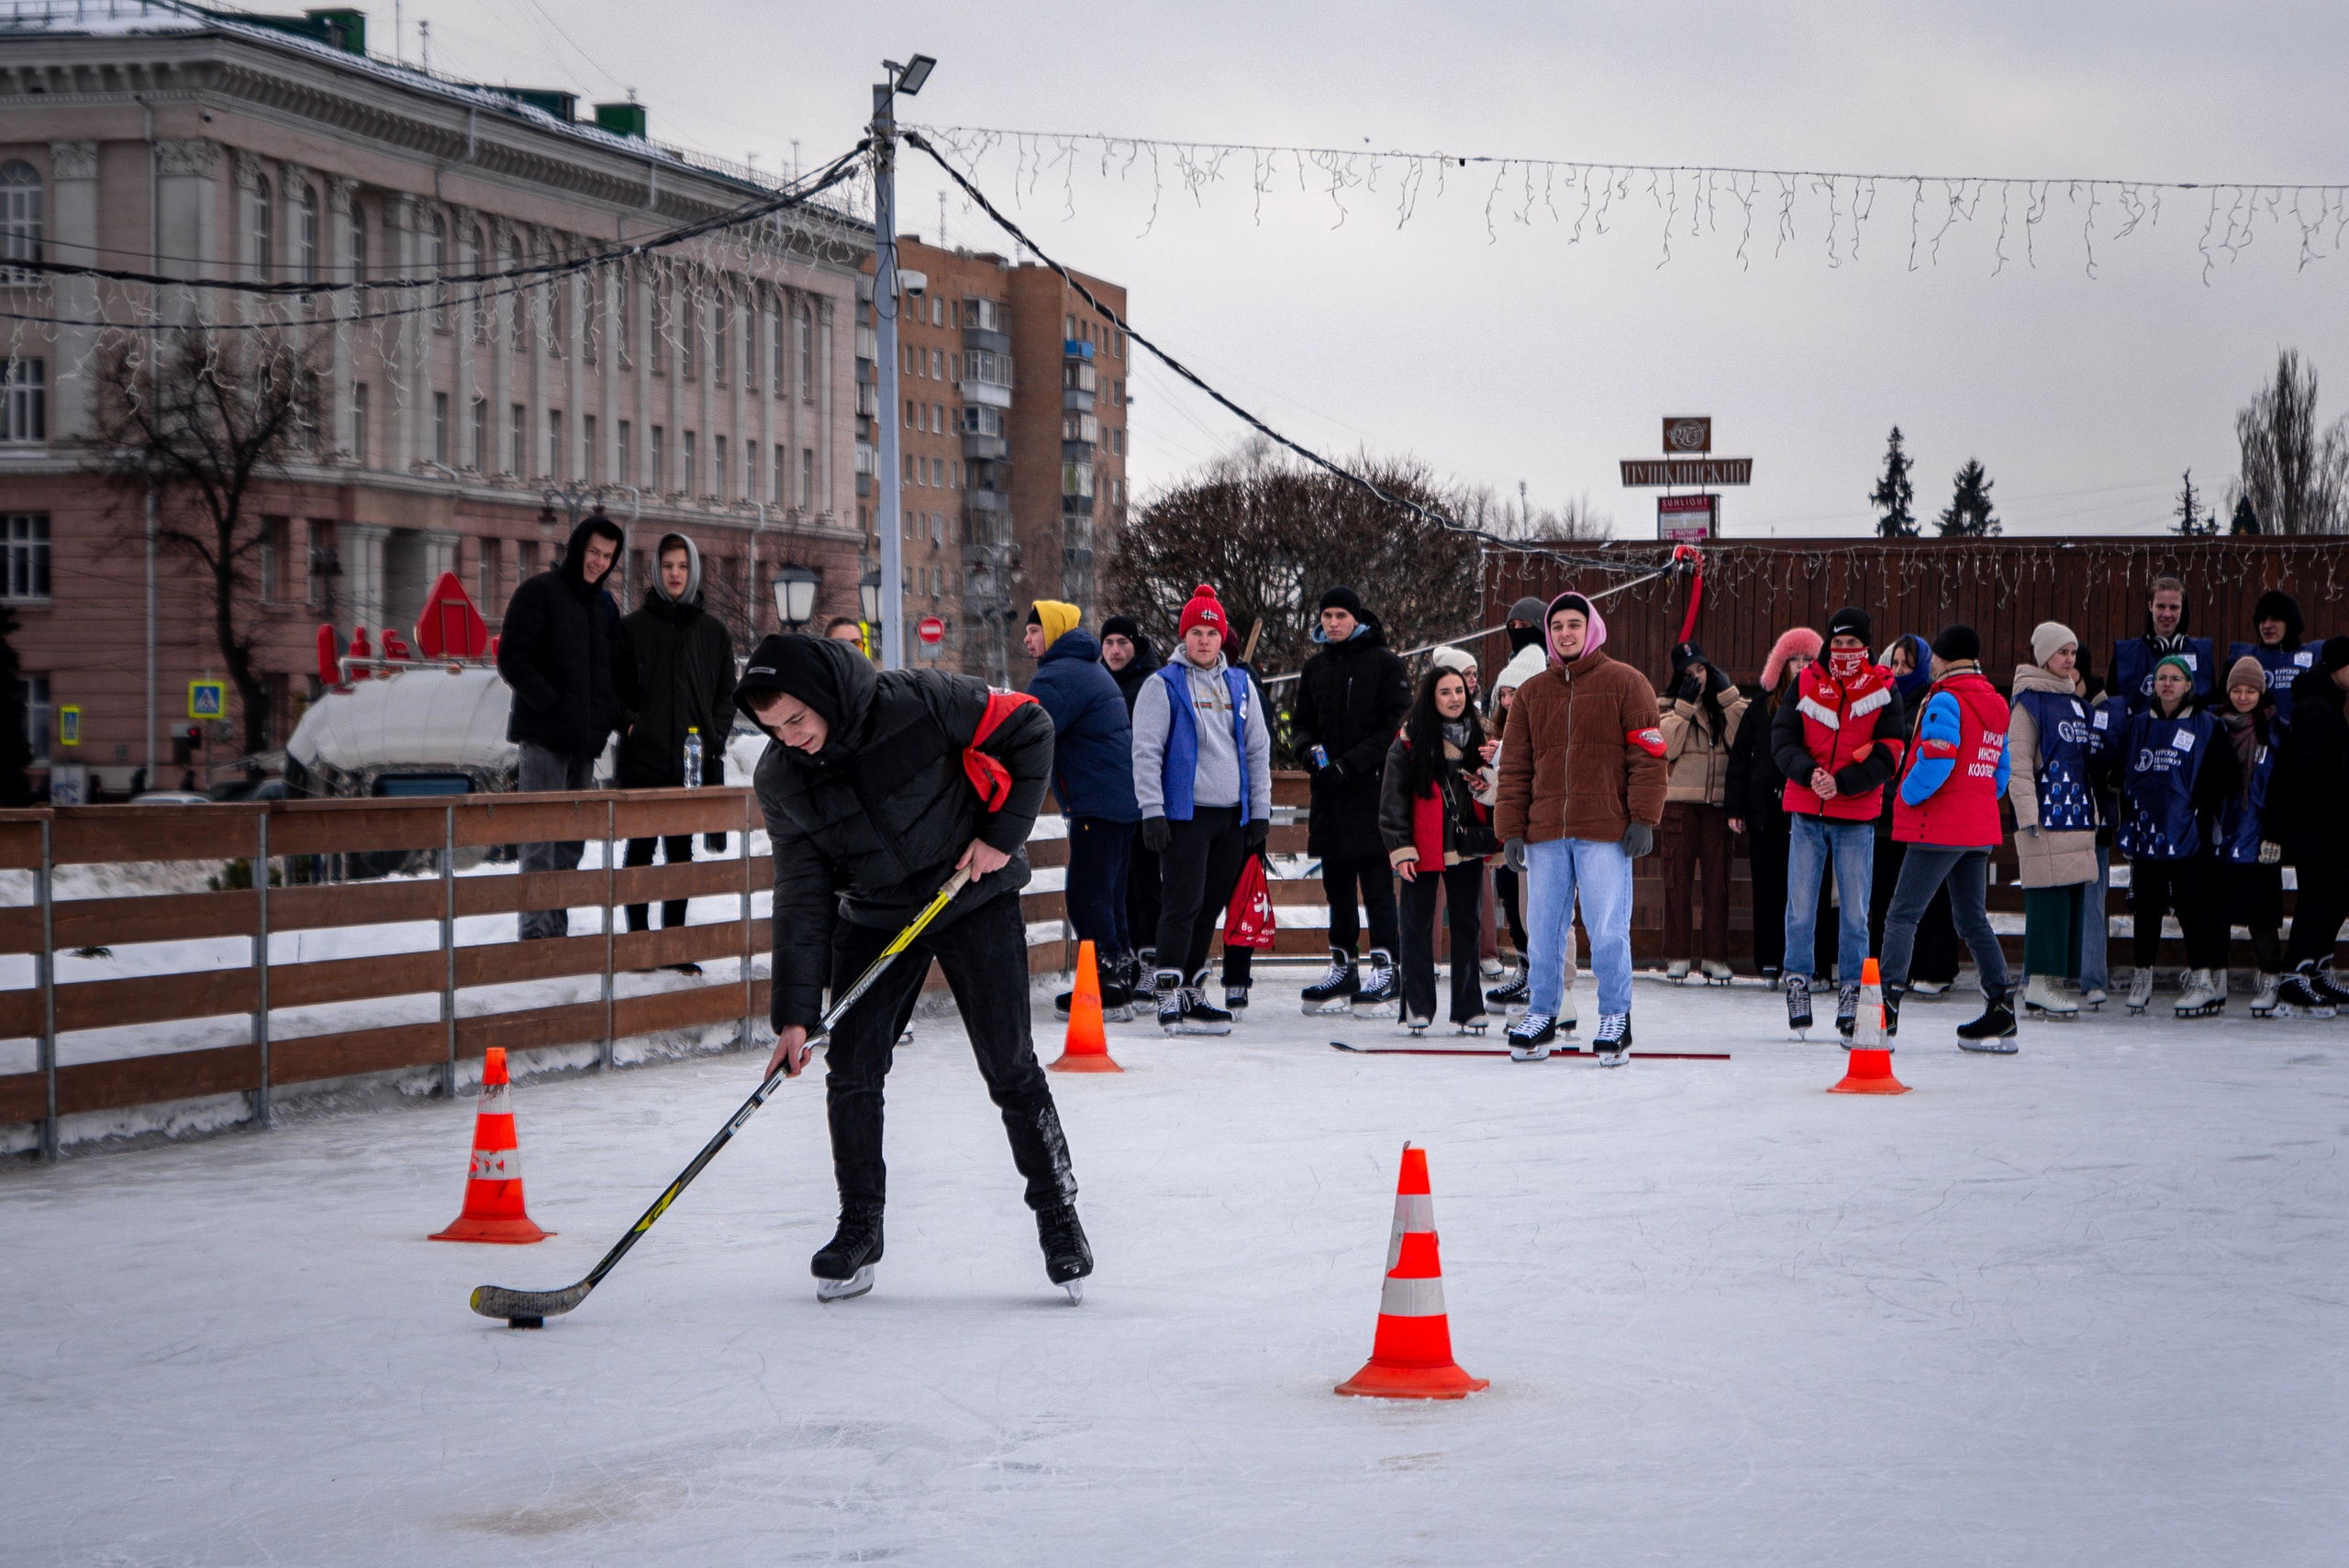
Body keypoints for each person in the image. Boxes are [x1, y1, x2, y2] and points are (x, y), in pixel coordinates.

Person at [736, 633, 1085, 1302]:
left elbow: (1031, 726)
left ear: (824, 696)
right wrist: (794, 1014)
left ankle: (1058, 1215)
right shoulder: (781, 777)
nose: (790, 737)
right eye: (774, 728)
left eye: (797, 719)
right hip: (873, 914)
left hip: (968, 890)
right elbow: (802, 894)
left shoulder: (919, 700)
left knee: (1010, 1064)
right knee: (854, 1068)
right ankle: (860, 1224)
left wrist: (1001, 837)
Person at [1493, 592, 1666, 1065]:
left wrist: (1643, 818)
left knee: (1608, 927)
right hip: (1545, 831)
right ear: (1548, 634)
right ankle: (1542, 1013)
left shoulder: (1627, 683)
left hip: (1605, 831)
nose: (1565, 633)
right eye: (1558, 627)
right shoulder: (1531, 693)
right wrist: (1510, 829)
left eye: (1574, 624)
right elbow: (1515, 769)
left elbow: (1649, 758)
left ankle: (1615, 1016)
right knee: (1543, 928)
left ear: (1589, 629)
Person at [1130, 584, 1273, 1034]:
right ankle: (1169, 992)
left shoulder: (1240, 684)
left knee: (1210, 906)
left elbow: (1258, 751)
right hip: (1184, 816)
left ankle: (1193, 989)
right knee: (1181, 904)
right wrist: (1152, 810)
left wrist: (1261, 812)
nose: (1204, 640)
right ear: (1183, 637)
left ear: (1222, 636)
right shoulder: (1163, 685)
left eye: (1212, 632)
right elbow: (1146, 752)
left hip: (1230, 816)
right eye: (1196, 631)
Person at [1771, 606, 1908, 1039]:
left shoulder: (1885, 688)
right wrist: (1809, 773)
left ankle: (1852, 988)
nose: (1844, 650)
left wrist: (1845, 783)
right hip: (1807, 810)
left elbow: (1891, 750)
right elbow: (1782, 737)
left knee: (1854, 913)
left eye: (1853, 644)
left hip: (1855, 814)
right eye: (1838, 643)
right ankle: (1797, 981)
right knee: (1800, 907)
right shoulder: (1806, 681)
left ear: (1866, 646)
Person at [496, 511, 633, 940]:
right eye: (593, 552)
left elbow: (611, 672)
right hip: (544, 739)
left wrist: (616, 718)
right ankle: (535, 932)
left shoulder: (605, 607)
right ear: (577, 548)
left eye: (607, 556)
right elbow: (512, 659)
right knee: (540, 837)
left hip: (584, 744)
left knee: (571, 842)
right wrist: (552, 705)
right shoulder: (540, 592)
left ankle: (557, 928)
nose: (599, 562)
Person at [1882, 626, 2017, 1048]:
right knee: (1972, 919)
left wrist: (1904, 794)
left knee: (1902, 915)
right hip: (1977, 828)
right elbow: (2001, 770)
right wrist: (1976, 799)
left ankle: (1882, 1010)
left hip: (1938, 825)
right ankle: (2001, 1009)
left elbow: (1937, 758)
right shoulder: (1995, 701)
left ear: (1940, 658)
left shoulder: (1946, 698)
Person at [1290, 586, 1412, 1017]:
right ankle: (1344, 964)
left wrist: (1350, 765)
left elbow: (1395, 729)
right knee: (1337, 887)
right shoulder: (1314, 668)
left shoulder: (1384, 663)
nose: (1333, 622)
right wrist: (1308, 752)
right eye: (1326, 615)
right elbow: (1299, 722)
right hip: (1328, 794)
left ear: (1356, 618)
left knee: (1377, 886)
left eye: (1341, 614)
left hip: (1371, 792)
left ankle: (1387, 966)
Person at [615, 532, 735, 964]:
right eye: (668, 566)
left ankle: (673, 946)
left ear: (694, 570)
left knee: (681, 853)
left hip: (691, 763)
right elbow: (615, 690)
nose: (675, 574)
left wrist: (714, 736)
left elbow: (727, 694)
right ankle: (638, 945)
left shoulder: (713, 633)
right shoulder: (631, 629)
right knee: (641, 852)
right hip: (643, 762)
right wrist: (631, 724)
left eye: (682, 566)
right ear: (656, 571)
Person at [1024, 600, 1141, 1019]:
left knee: (1085, 895)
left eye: (1035, 631)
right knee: (1109, 893)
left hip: (1099, 801)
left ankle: (1106, 980)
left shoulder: (1061, 674)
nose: (1027, 639)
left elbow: (1026, 729)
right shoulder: (1087, 667)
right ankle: (1121, 973)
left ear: (1054, 631)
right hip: (1119, 800)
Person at [2115, 653, 2240, 1017]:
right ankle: (2142, 976)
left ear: (2189, 685)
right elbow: (2120, 769)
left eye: (2175, 678)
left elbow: (2228, 777)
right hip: (2146, 832)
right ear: (2153, 684)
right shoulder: (2138, 725)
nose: (2168, 683)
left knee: (2192, 906)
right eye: (2162, 677)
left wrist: (2197, 801)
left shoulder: (2206, 725)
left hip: (2190, 833)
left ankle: (2202, 979)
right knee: (2146, 907)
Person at [1380, 667, 1499, 1033]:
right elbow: (1393, 798)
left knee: (1467, 927)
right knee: (1415, 928)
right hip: (1423, 847)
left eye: (1459, 690)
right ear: (1431, 697)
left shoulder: (1486, 737)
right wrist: (1400, 849)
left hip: (1467, 845)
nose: (1454, 698)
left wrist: (1486, 781)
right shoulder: (1410, 739)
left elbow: (1502, 792)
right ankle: (1417, 1006)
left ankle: (1468, 1007)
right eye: (1445, 692)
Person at [2007, 623, 2101, 1020]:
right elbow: (2018, 764)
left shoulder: (2077, 703)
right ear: (2044, 655)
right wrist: (2028, 814)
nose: (2069, 660)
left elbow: (2084, 764)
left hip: (2077, 815)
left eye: (2073, 653)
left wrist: (2093, 808)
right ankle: (2040, 983)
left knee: (2071, 902)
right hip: (2045, 817)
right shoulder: (2029, 703)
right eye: (2062, 652)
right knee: (2048, 901)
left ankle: (2057, 981)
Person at [1726, 627, 1827, 984]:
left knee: (1810, 891)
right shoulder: (1760, 706)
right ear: (1780, 665)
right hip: (1765, 813)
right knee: (1767, 888)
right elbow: (1740, 758)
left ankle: (1813, 964)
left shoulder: (1827, 704)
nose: (1800, 666)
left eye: (1807, 659)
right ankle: (1769, 959)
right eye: (1793, 659)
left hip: (1814, 811)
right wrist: (1735, 808)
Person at [1871, 634, 1961, 997]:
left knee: (1929, 897)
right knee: (1885, 898)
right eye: (1894, 663)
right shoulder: (1879, 699)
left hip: (1917, 813)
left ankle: (1934, 967)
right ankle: (1887, 969)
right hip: (1881, 815)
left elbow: (1928, 751)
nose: (1898, 671)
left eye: (1907, 665)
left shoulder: (1930, 701)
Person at [1656, 639, 1746, 983]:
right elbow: (1663, 748)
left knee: (1717, 883)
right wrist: (1683, 708)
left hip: (1718, 805)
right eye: (1688, 672)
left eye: (1701, 670)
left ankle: (1715, 956)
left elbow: (1743, 741)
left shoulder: (1728, 706)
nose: (1697, 677)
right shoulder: (1666, 705)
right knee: (1676, 881)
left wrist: (1728, 697)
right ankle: (1678, 955)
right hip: (1679, 802)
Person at [2272, 637, 2349, 1013]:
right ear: (2337, 667)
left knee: (2336, 896)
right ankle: (2293, 973)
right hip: (2315, 825)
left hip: (2330, 824)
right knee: (2319, 897)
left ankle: (2318, 969)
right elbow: (2305, 770)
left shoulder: (2329, 702)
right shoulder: (2318, 708)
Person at [2215, 657, 2287, 1017]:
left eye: (2251, 690)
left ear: (2262, 692)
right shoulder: (2216, 726)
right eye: (2237, 690)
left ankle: (2271, 977)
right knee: (2218, 911)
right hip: (2224, 832)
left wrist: (2275, 832)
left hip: (2259, 832)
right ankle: (2216, 980)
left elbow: (2284, 787)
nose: (2243, 697)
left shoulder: (2276, 730)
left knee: (2262, 912)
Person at [1098, 615, 1163, 973]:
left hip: (1145, 799)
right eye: (1108, 643)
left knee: (1146, 883)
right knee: (1116, 887)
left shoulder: (1151, 682)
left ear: (1136, 645)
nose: (1115, 650)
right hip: (1109, 799)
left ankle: (1150, 956)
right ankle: (1126, 957)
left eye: (1122, 642)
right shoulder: (1097, 681)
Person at [2111, 576, 2214, 712]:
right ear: (2150, 606)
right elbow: (2112, 707)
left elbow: (2212, 706)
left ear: (2182, 609)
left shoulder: (2201, 653)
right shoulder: (2125, 653)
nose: (2167, 614)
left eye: (2174, 607)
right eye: (2160, 606)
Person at [2228, 589, 2314, 705]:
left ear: (2290, 622)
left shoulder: (2313, 655)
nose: (2267, 625)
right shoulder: (2243, 658)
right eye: (2262, 620)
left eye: (2275, 618)